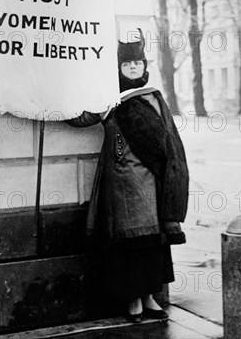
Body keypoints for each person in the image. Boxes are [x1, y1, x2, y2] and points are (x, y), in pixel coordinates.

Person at [68, 29, 189, 322]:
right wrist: (49, 102)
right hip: (120, 183)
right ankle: (133, 300)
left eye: (137, 63)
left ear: (144, 66)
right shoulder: (109, 99)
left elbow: (169, 139)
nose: (133, 67)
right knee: (127, 245)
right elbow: (80, 118)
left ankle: (149, 296)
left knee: (151, 242)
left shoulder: (154, 98)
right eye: (127, 64)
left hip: (151, 180)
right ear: (118, 69)